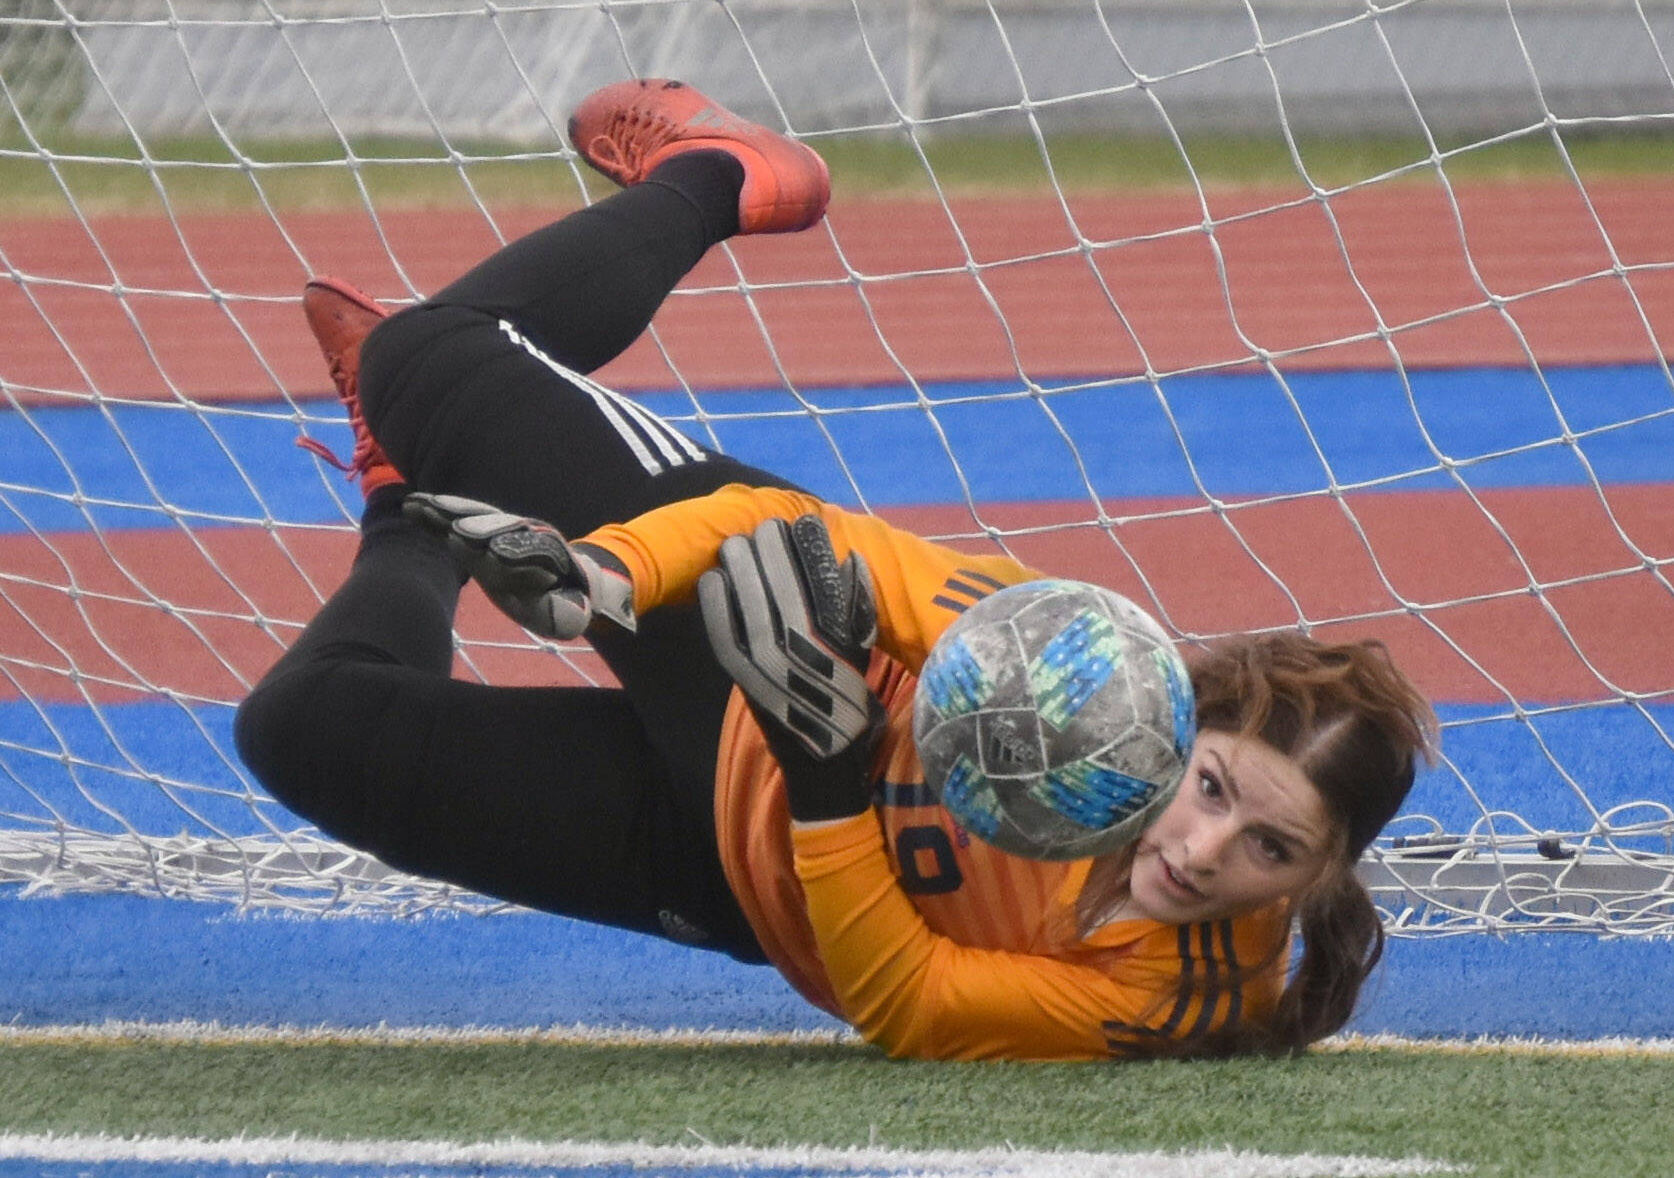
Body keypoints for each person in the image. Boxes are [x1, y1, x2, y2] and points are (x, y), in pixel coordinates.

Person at [235, 78, 1437, 1062]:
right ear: (1183, 723)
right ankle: (718, 171)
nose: (1209, 850)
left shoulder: (1196, 992)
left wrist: (826, 787)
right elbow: (802, 540)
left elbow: (908, 1005)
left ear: (1323, 878)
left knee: (299, 730)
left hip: (738, 864)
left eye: (1273, 852)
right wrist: (601, 575)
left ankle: (400, 496)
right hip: (754, 625)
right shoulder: (1061, 656)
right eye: (1216, 788)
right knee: (421, 356)